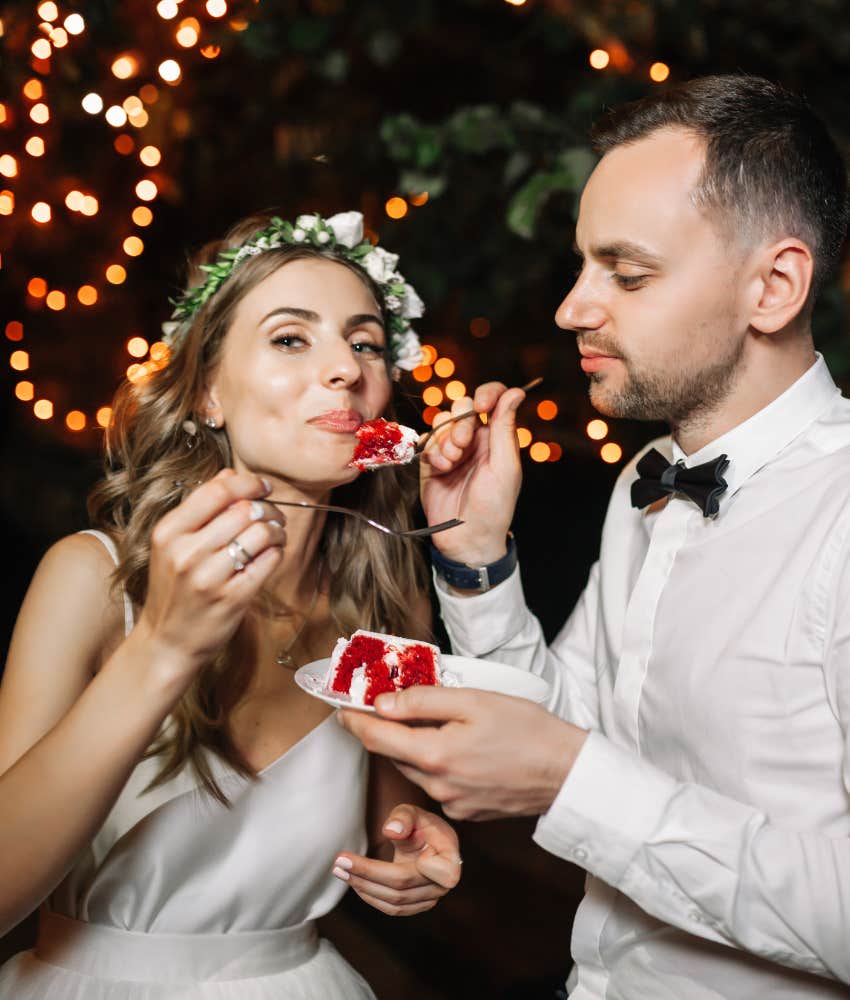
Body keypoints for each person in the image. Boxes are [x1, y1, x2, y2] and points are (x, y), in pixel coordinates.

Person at [340, 74, 850, 998]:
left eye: (628, 272)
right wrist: (477, 554)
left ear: (773, 286)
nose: (573, 307)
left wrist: (573, 782)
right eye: (582, 266)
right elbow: (575, 722)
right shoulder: (641, 485)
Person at [0, 209, 461, 999]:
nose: (345, 369)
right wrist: (162, 648)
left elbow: (397, 824)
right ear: (209, 392)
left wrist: (419, 854)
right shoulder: (91, 579)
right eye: (291, 338)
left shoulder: (389, 601)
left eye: (365, 343)